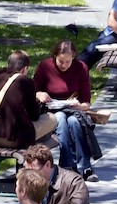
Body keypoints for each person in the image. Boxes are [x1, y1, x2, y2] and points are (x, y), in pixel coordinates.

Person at [33, 39, 97, 181]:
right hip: (51, 109)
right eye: (60, 61)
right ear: (54, 56)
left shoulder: (81, 68)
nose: (64, 65)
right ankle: (68, 166)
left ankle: (84, 166)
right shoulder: (45, 67)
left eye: (68, 61)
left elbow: (87, 102)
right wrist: (39, 94)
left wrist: (79, 106)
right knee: (61, 118)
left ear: (74, 57)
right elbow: (34, 90)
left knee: (74, 121)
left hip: (73, 109)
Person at [0, 49, 43, 150]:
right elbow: (34, 115)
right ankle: (40, 155)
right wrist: (38, 101)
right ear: (25, 69)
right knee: (52, 119)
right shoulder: (25, 81)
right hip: (14, 139)